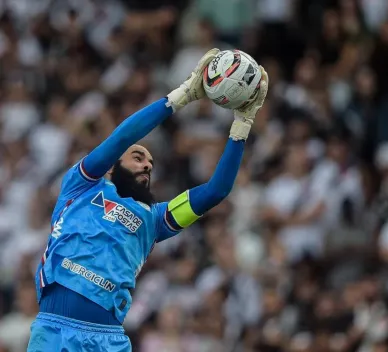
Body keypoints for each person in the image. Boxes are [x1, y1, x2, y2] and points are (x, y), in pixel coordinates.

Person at [26, 48, 269, 352]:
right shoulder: (82, 186)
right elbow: (121, 138)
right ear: (113, 165)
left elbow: (216, 191)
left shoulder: (155, 220)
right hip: (55, 329)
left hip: (109, 340)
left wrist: (243, 123)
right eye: (138, 157)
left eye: (151, 163)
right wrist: (179, 97)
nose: (147, 165)